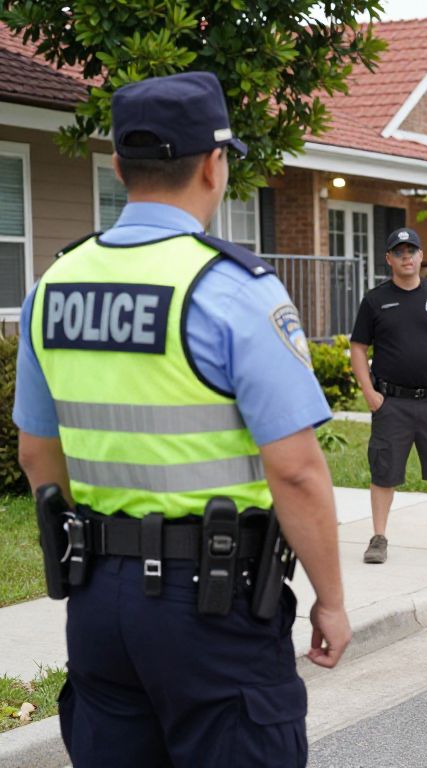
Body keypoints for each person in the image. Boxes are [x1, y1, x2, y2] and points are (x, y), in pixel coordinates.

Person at [13, 71, 351, 767]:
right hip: (212, 605)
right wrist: (331, 600)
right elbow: (295, 470)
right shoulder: (232, 289)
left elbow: (36, 455)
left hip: (98, 602)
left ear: (117, 165)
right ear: (213, 164)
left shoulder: (54, 286)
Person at [350, 227, 427, 564]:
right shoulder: (374, 300)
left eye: (411, 251)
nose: (406, 258)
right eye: (399, 252)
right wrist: (369, 393)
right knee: (384, 472)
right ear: (389, 258)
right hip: (391, 403)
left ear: (420, 256)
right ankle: (378, 537)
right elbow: (358, 348)